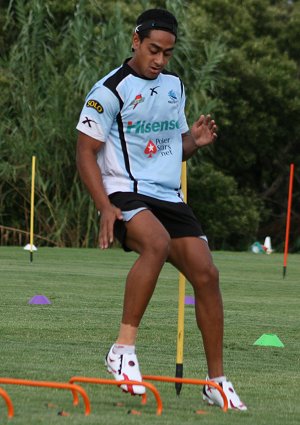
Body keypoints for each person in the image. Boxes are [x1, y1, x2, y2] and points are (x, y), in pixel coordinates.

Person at [76, 8, 247, 411]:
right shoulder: (108, 91)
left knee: (206, 272)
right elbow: (85, 153)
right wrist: (103, 205)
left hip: (167, 195)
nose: (160, 60)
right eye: (154, 50)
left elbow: (171, 146)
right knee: (156, 243)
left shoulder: (174, 87)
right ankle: (122, 350)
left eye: (167, 54)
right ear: (136, 42)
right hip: (123, 189)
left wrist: (194, 142)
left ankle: (216, 382)